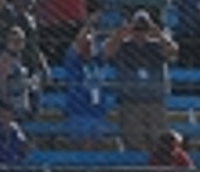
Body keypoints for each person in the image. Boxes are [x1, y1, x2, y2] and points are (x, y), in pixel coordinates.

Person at [105, 9, 176, 153]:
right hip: (131, 103)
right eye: (137, 28)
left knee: (158, 142)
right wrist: (121, 34)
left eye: (144, 29)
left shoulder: (157, 45)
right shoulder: (123, 46)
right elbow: (107, 52)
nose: (140, 33)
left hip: (154, 102)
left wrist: (158, 34)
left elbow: (172, 52)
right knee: (133, 143)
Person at [62, 23, 108, 150]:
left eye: (91, 45)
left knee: (95, 145)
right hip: (79, 111)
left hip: (96, 111)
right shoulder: (73, 61)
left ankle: (92, 170)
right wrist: (88, 25)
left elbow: (111, 47)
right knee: (83, 144)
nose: (88, 48)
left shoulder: (97, 62)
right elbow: (77, 43)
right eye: (86, 45)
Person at [0, 26, 37, 121]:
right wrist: (5, 103)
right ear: (8, 42)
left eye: (20, 40)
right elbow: (1, 81)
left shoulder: (21, 57)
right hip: (11, 102)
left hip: (21, 99)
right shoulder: (6, 58)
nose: (17, 44)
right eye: (14, 40)